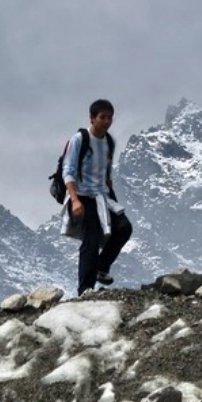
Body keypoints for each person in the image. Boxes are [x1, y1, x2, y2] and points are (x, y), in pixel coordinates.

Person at [64, 99, 133, 296]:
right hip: (83, 196)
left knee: (124, 228)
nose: (106, 122)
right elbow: (68, 171)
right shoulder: (79, 140)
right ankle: (85, 289)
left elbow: (106, 172)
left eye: (110, 118)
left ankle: (101, 267)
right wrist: (75, 200)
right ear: (92, 118)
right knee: (91, 239)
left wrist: (112, 198)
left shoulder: (109, 142)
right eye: (102, 117)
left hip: (102, 195)